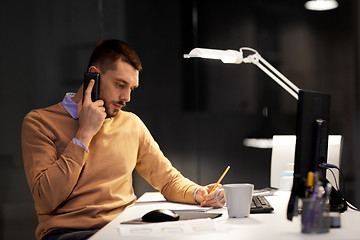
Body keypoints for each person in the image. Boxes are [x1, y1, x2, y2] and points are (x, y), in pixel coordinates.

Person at [22, 39, 225, 240]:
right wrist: (84, 133)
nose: (126, 97)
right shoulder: (40, 122)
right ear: (94, 75)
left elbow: (168, 180)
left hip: (124, 229)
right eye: (120, 85)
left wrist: (200, 193)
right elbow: (46, 199)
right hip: (67, 233)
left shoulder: (131, 124)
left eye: (131, 88)